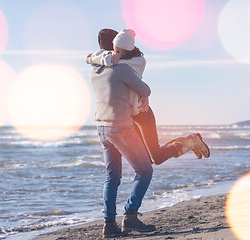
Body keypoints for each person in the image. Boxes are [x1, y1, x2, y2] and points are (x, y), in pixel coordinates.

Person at [87, 29, 210, 166]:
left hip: (142, 112)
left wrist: (144, 94)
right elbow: (92, 58)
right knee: (147, 159)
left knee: (156, 158)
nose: (110, 54)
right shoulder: (113, 62)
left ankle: (190, 142)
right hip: (127, 116)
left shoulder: (130, 62)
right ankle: (185, 144)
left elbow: (93, 58)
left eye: (110, 51)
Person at [90, 28, 157, 239]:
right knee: (145, 170)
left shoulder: (94, 66)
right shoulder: (123, 69)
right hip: (121, 127)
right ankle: (130, 216)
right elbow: (145, 90)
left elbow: (91, 57)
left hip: (101, 128)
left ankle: (109, 224)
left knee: (112, 178)